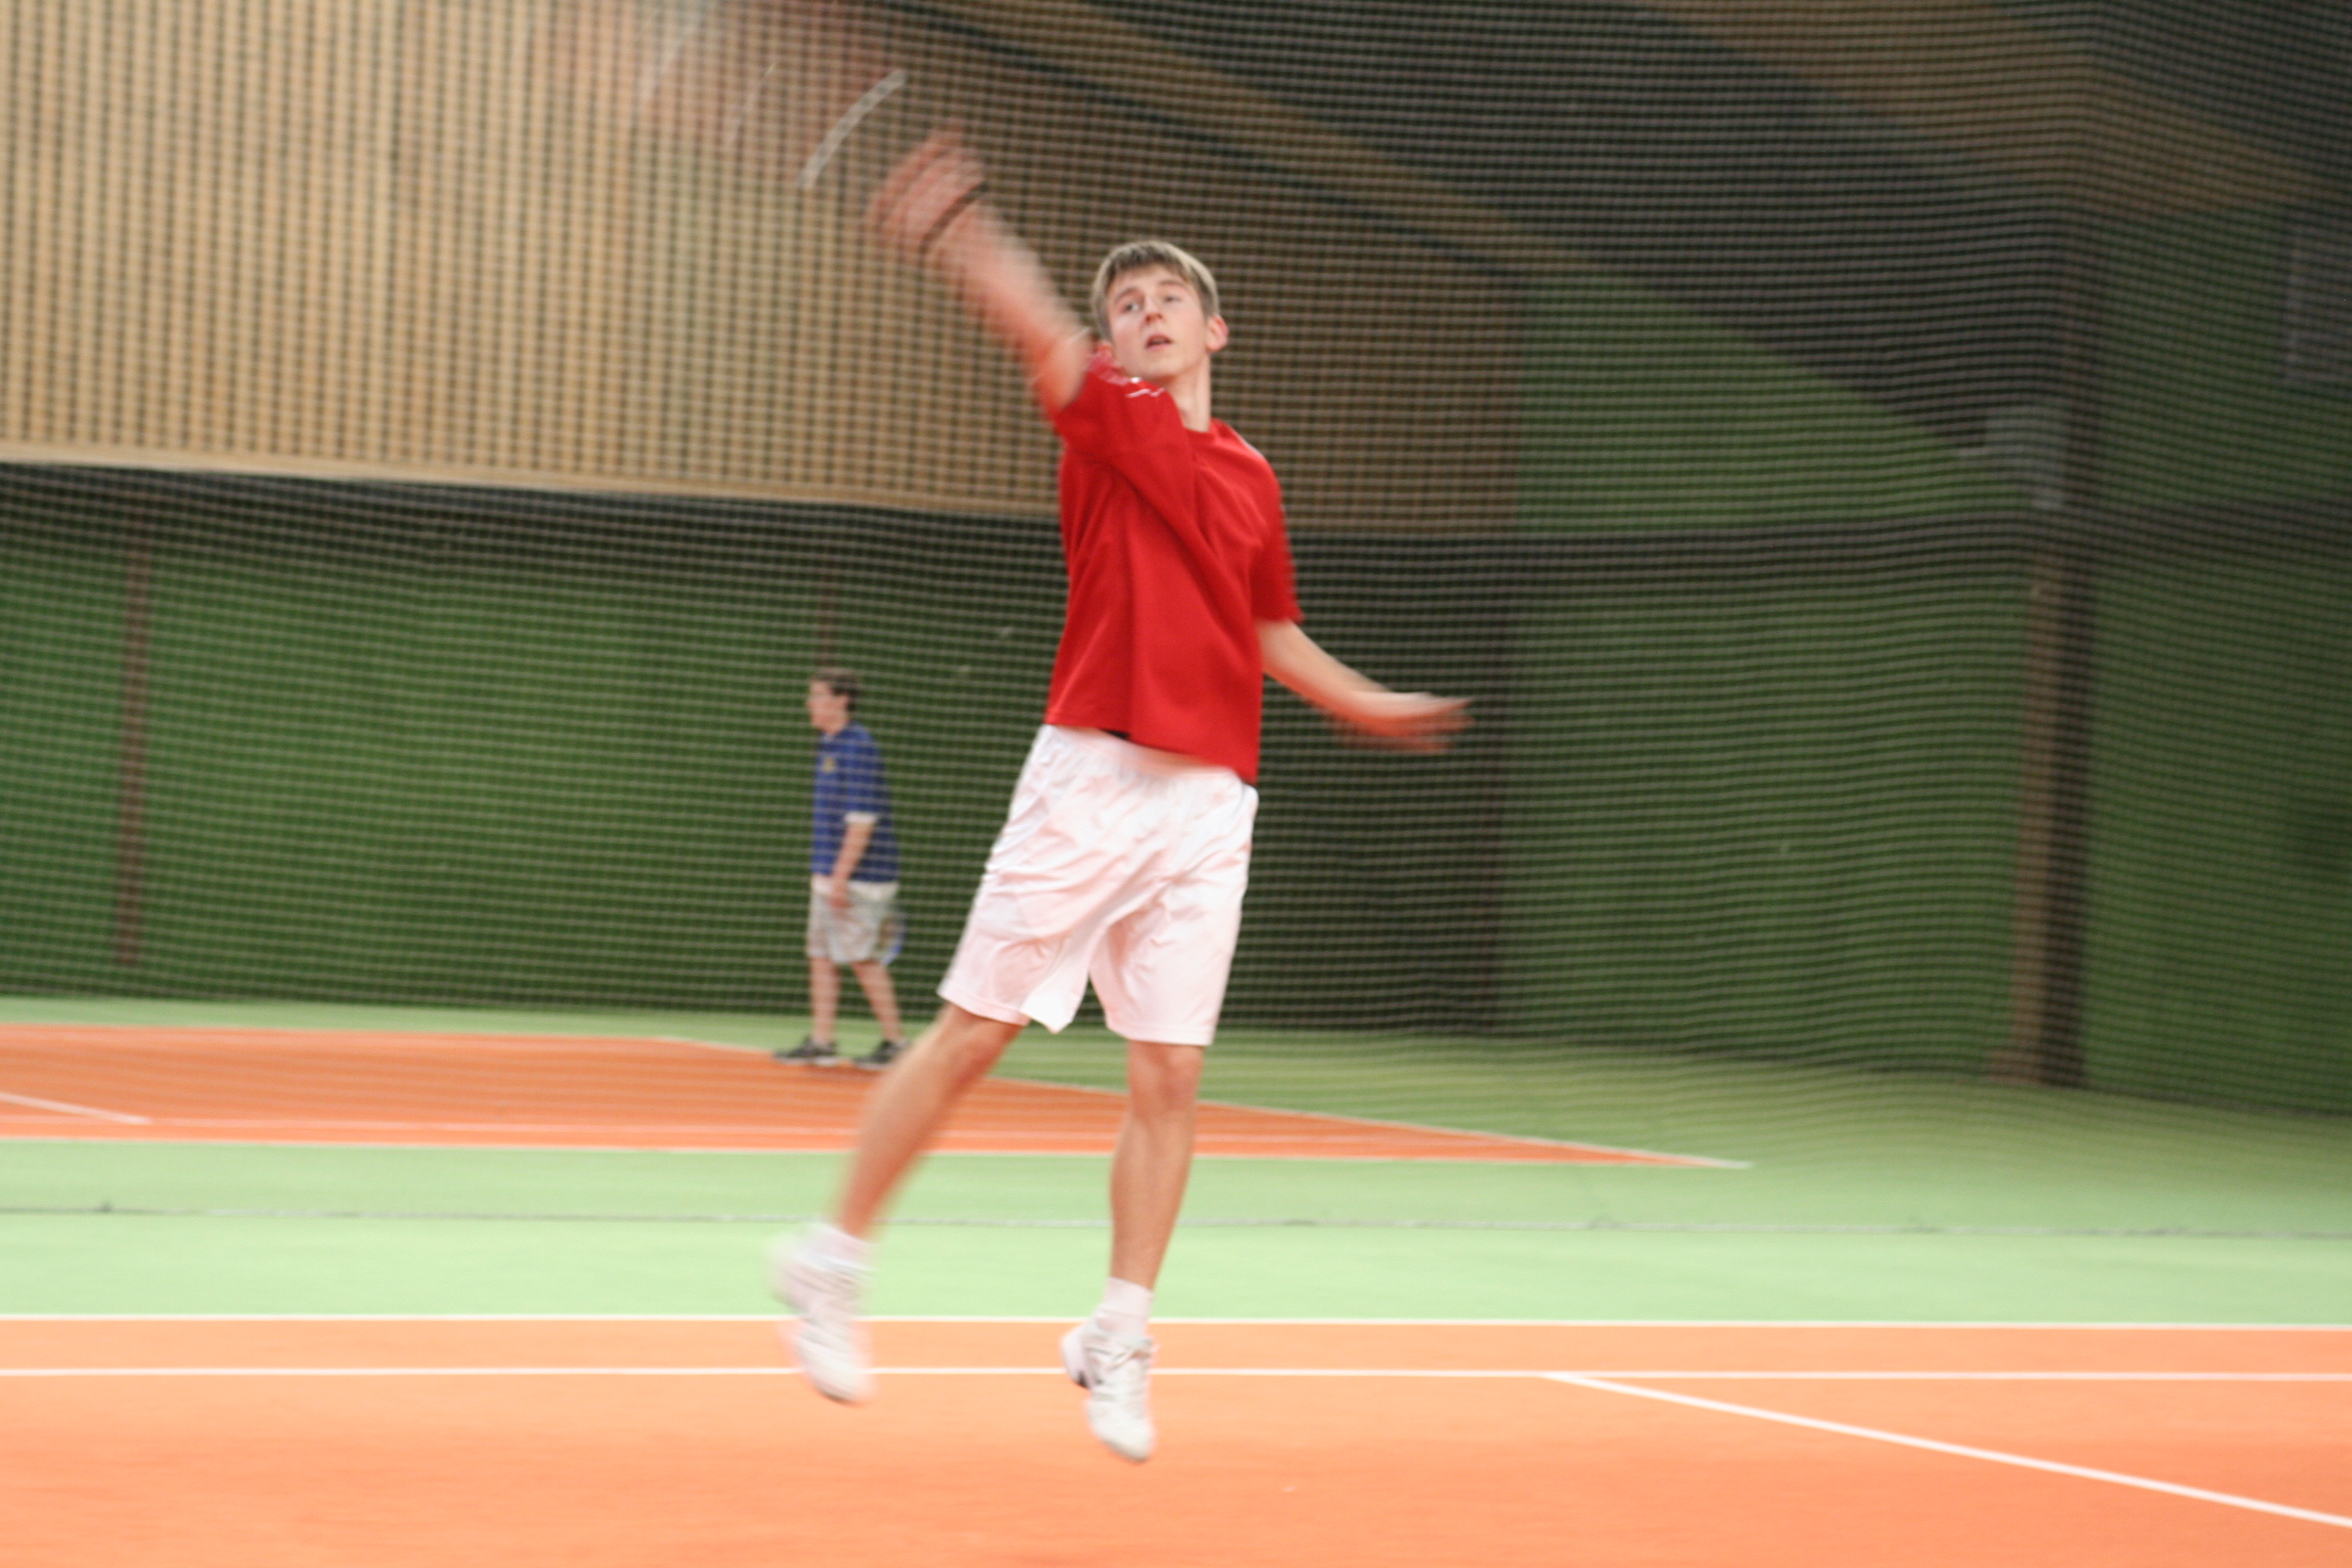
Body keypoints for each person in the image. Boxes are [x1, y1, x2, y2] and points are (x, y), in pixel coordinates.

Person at [774, 126, 1468, 1463]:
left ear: (1215, 328)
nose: (1145, 313)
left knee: (1171, 1072)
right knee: (973, 1037)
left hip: (1212, 803)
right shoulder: (1111, 423)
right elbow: (1038, 328)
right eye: (1126, 304)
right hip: (1091, 776)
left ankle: (1119, 1330)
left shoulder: (1252, 477)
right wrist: (966, 236)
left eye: (1167, 299)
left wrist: (1366, 702)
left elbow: (1267, 630)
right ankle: (830, 1258)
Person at [776, 668, 911, 1070]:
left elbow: (862, 821)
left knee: (862, 959)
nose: (810, 703)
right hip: (828, 873)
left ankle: (896, 1043)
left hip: (860, 878)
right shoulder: (829, 745)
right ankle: (823, 1042)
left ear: (841, 700)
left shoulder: (859, 748)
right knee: (820, 955)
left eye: (818, 695)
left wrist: (840, 877)